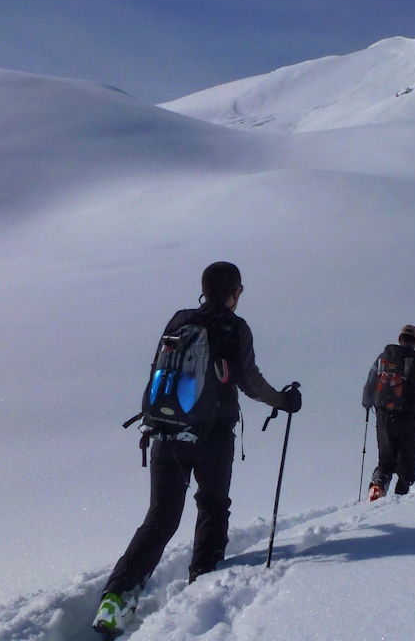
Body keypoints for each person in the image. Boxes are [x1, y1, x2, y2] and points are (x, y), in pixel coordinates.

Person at [93, 262, 302, 639]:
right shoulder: (235, 328)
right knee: (212, 505)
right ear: (234, 292)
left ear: (204, 289)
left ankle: (116, 598)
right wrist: (283, 401)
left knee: (159, 519)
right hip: (212, 437)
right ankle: (201, 583)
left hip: (166, 432)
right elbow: (250, 381)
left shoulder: (179, 319)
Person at [361, 324, 415, 500]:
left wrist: (367, 404)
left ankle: (378, 484)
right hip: (408, 417)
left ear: (400, 339)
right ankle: (401, 503)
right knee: (407, 464)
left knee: (385, 460)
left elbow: (369, 386)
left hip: (383, 416)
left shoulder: (383, 358)